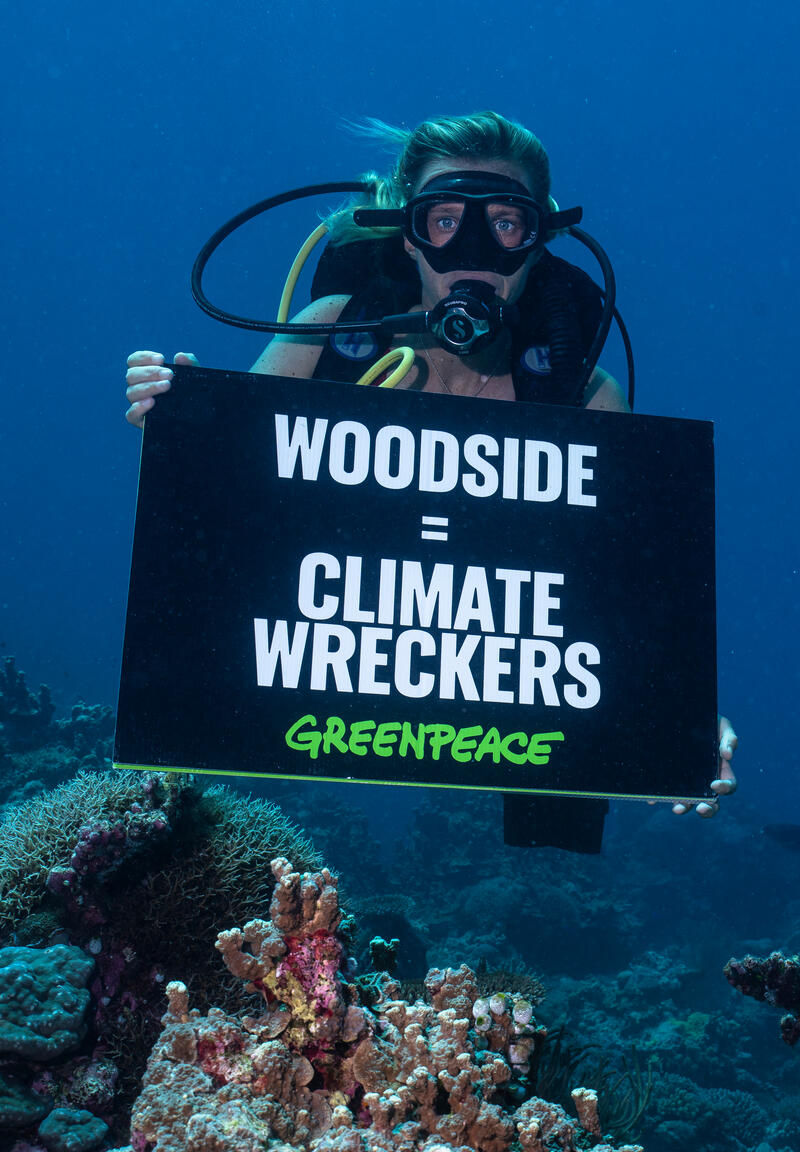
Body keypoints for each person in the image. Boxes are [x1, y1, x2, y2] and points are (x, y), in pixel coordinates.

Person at [124, 111, 737, 844]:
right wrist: (180, 428)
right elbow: (218, 532)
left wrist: (683, 717)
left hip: (503, 709)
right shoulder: (330, 334)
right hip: (323, 685)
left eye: (506, 223)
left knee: (547, 849)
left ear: (539, 238)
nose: (473, 251)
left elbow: (623, 603)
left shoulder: (579, 395)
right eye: (444, 220)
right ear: (407, 234)